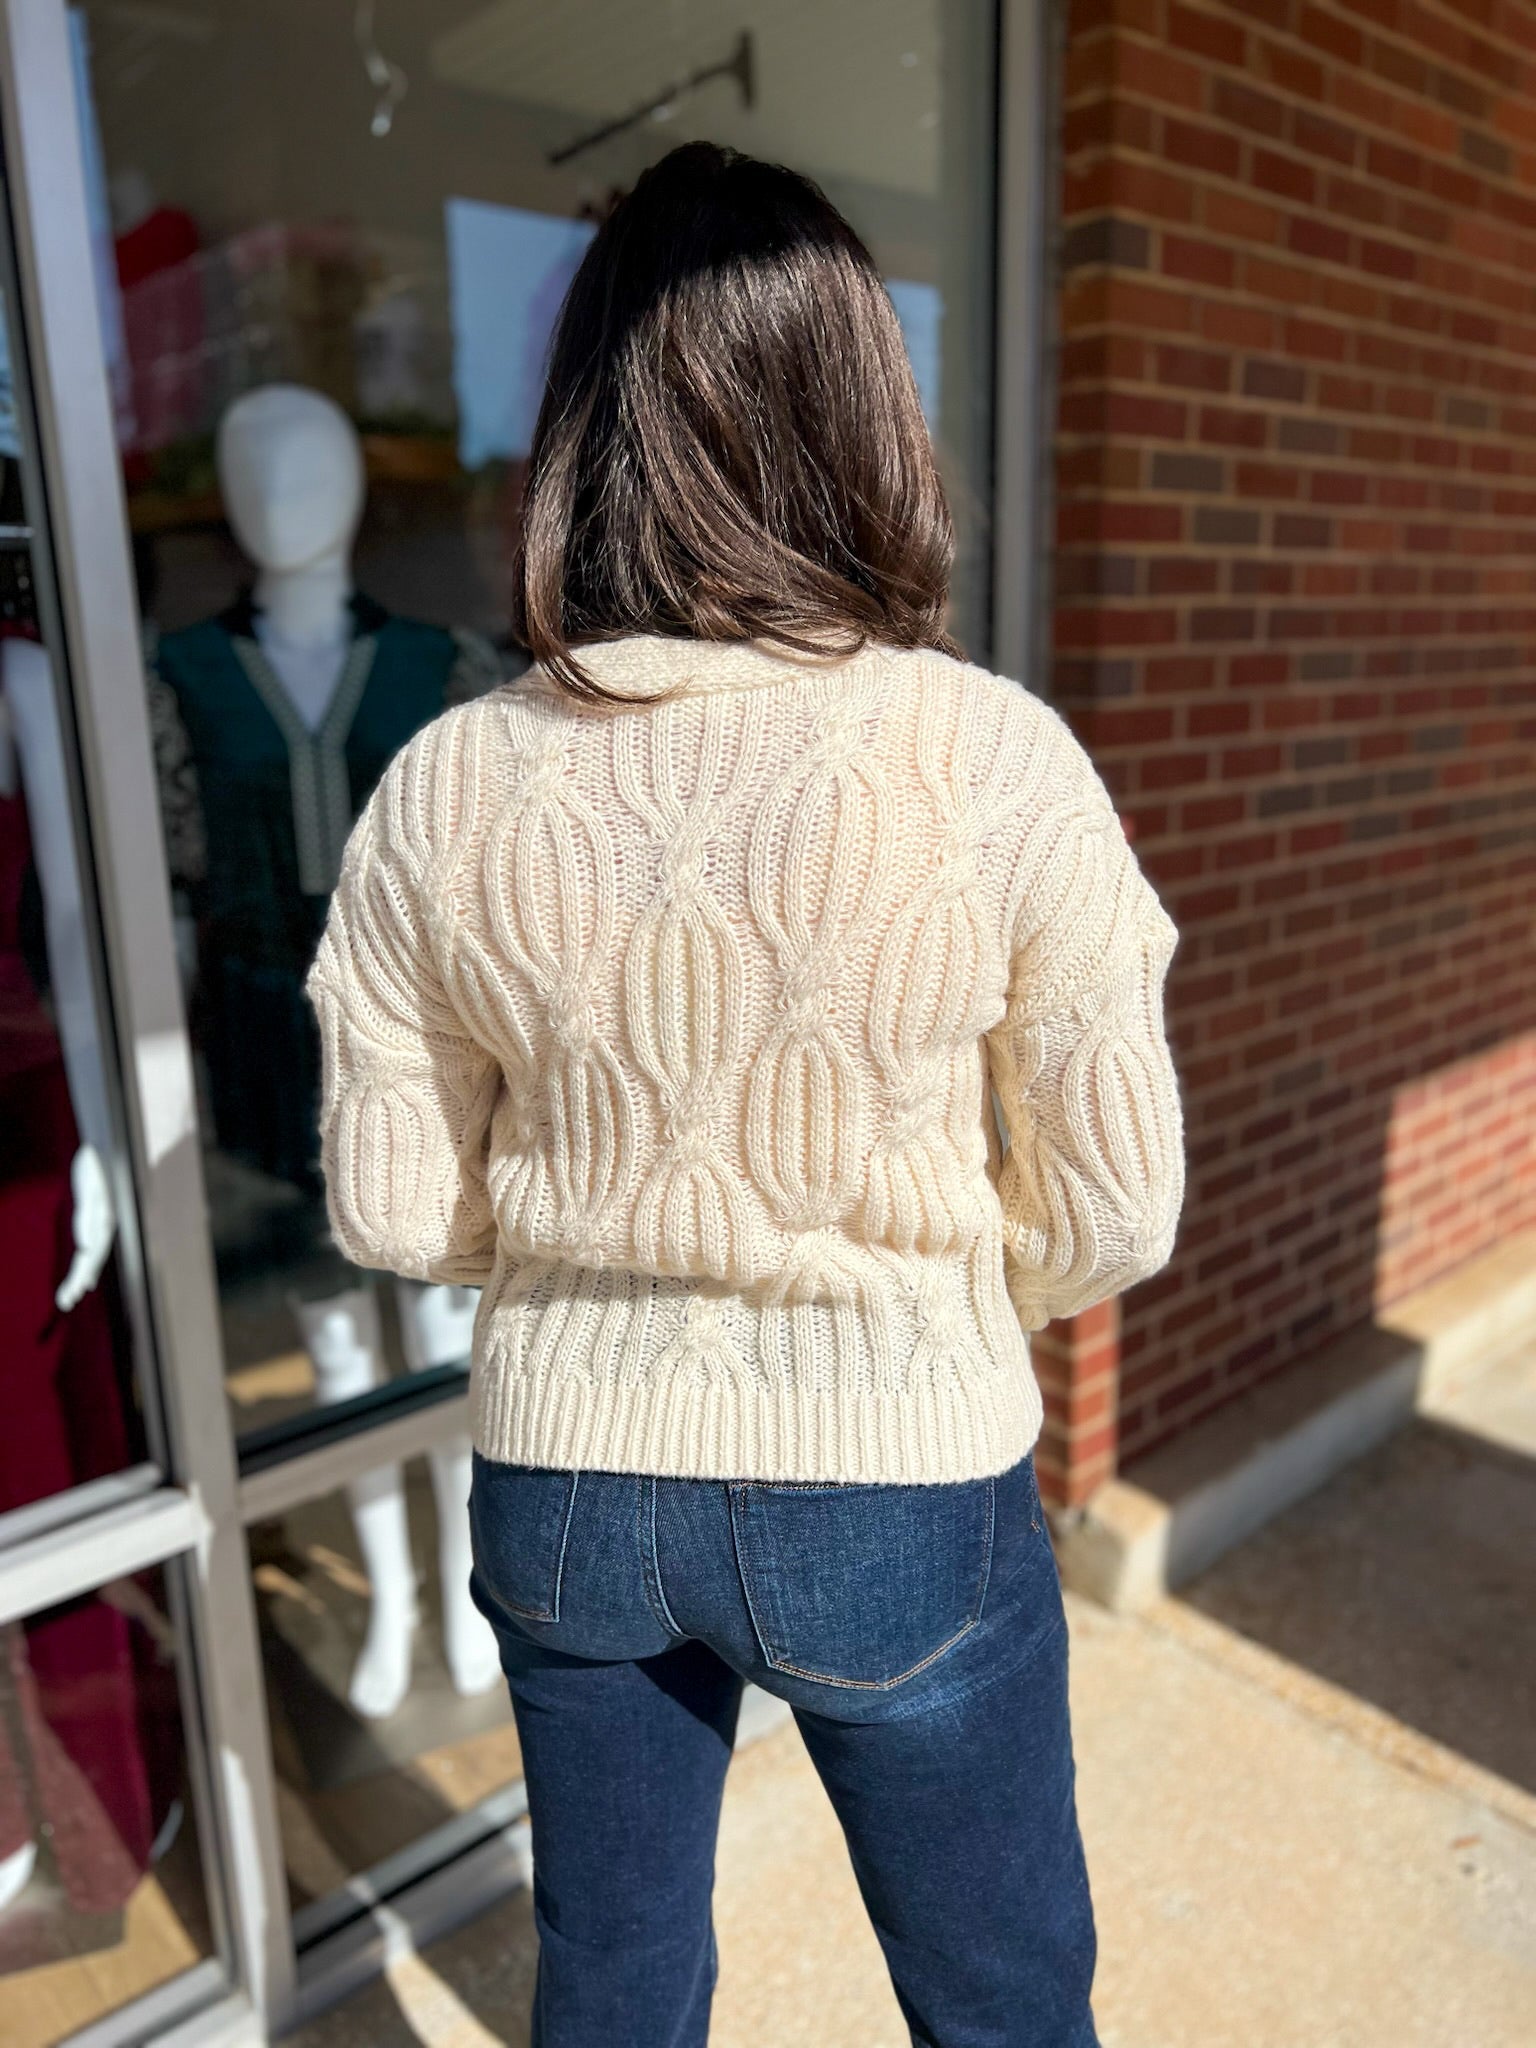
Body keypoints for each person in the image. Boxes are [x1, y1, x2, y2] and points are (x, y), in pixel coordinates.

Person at [306, 142, 1184, 2048]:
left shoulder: (446, 782)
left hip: (568, 1476)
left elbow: (388, 1203)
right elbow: (1115, 1203)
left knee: (615, 1989)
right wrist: (920, 1285)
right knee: (1004, 2002)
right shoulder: (993, 759)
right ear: (866, 412)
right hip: (902, 1474)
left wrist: (576, 1233)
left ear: (581, 435)